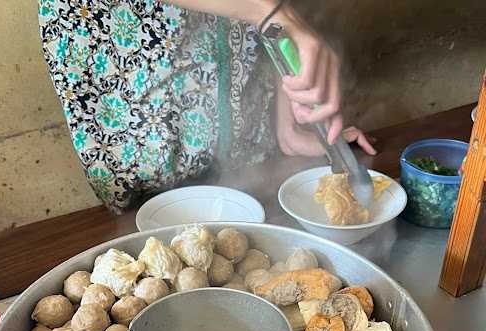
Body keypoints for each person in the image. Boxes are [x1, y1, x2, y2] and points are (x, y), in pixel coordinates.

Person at [38, 0, 375, 212]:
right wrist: (270, 13)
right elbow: (270, 11)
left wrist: (287, 119)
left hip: (239, 30)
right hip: (131, 39)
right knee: (156, 219)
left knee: (243, 183)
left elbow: (272, 14)